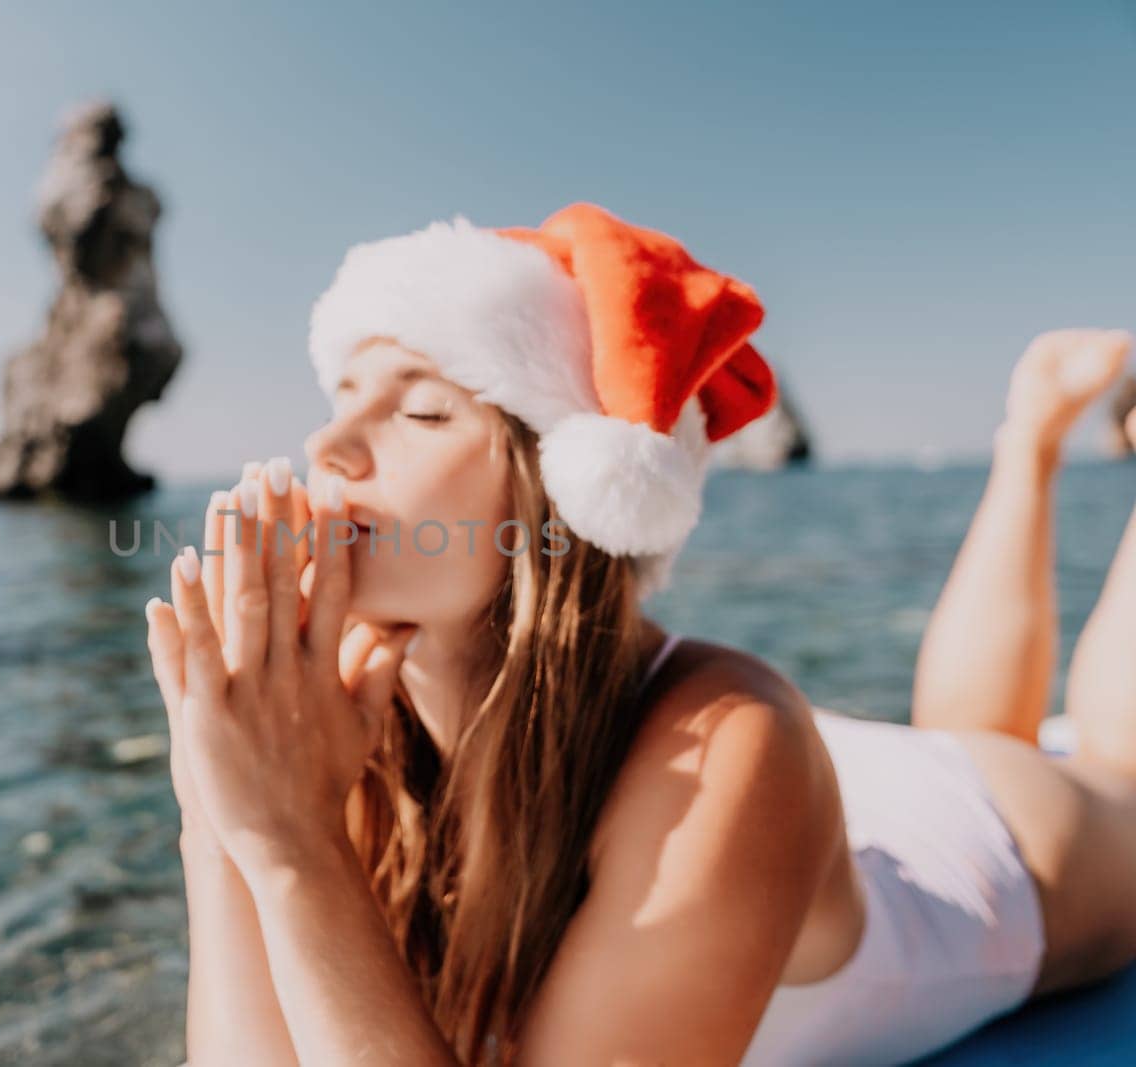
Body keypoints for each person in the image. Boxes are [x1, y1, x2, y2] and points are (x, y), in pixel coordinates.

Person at [143, 201, 1136, 1066]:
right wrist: (219, 805)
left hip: (986, 842)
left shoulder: (737, 741)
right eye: (340, 400)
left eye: (423, 409)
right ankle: (1032, 439)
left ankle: (1036, 443)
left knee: (1108, 761)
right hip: (779, 803)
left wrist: (287, 843)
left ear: (562, 503)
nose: (325, 444)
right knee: (960, 720)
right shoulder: (344, 724)